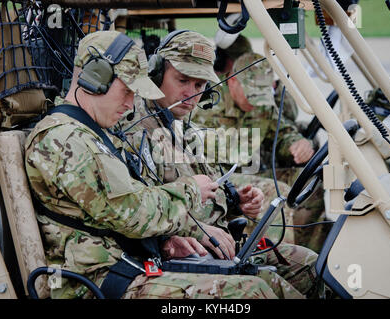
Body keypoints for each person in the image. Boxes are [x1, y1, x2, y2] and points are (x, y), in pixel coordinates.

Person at [25, 30, 288, 299]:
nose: (130, 105)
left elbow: (126, 208)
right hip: (92, 282)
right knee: (250, 292)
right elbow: (132, 213)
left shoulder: (94, 134)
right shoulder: (65, 140)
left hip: (128, 264)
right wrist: (190, 192)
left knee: (264, 278)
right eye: (127, 90)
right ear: (95, 79)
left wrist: (169, 240)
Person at [115, 30, 324, 298]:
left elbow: (208, 186)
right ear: (156, 73)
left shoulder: (184, 127)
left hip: (221, 245)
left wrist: (236, 200)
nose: (191, 94)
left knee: (311, 266)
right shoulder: (136, 131)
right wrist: (195, 231)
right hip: (188, 254)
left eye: (200, 86)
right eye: (183, 80)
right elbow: (138, 208)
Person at [193, 44, 329, 253]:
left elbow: (282, 131)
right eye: (251, 95)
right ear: (233, 81)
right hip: (213, 178)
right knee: (275, 191)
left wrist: (297, 144)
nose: (255, 103)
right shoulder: (204, 104)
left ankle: (311, 257)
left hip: (249, 172)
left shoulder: (262, 105)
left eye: (260, 96)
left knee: (312, 181)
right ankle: (279, 259)